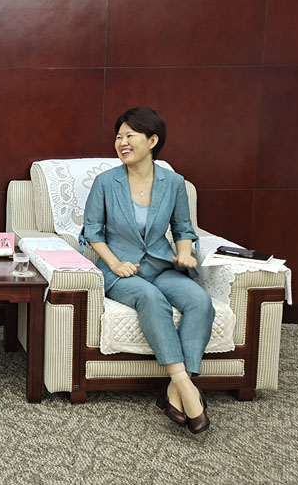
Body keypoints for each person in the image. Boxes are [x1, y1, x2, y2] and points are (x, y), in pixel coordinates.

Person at [80, 107, 214, 434]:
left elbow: (183, 228)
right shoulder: (105, 183)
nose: (122, 142)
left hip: (161, 265)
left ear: (152, 141)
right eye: (118, 137)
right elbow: (92, 232)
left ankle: (174, 389)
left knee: (200, 301)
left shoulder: (175, 183)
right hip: (119, 270)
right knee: (151, 299)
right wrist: (115, 263)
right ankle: (185, 386)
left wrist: (185, 254)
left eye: (130, 136)